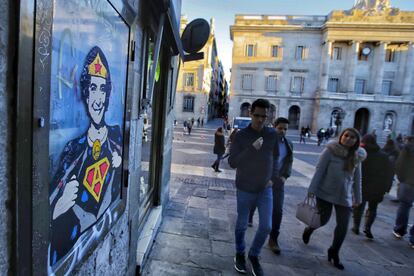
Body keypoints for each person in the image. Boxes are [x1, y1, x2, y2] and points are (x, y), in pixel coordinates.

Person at [49, 46, 123, 265]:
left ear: (108, 94)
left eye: (102, 89)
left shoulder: (117, 137)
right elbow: (50, 207)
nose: (98, 98)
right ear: (85, 92)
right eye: (93, 87)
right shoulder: (73, 149)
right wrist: (58, 207)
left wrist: (117, 165)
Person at [302, 128, 366, 270]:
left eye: (352, 137)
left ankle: (334, 251)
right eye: (346, 135)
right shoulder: (330, 150)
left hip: (345, 196)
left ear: (356, 141)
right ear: (341, 136)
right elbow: (319, 171)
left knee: (343, 226)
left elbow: (357, 178)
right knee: (323, 220)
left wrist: (358, 197)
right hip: (325, 193)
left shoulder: (358, 156)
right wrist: (311, 191)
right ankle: (310, 229)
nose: (348, 138)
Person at [228, 98, 279, 276]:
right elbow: (232, 162)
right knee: (242, 225)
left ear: (267, 116)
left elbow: (276, 157)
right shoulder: (240, 135)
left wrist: (273, 178)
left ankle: (254, 255)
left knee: (266, 226)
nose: (259, 120)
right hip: (245, 187)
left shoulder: (272, 134)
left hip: (265, 188)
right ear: (250, 113)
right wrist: (252, 148)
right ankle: (240, 254)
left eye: (263, 117)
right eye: (256, 115)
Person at [248, 117, 293, 255]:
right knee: (255, 201)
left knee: (278, 210)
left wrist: (285, 176)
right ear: (274, 127)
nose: (283, 131)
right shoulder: (264, 140)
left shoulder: (289, 144)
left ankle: (273, 239)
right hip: (262, 178)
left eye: (285, 129)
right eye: (280, 128)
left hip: (278, 181)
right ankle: (250, 216)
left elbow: (289, 161)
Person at [352, 134, 393, 239]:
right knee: (373, 208)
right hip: (377, 187)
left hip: (362, 185)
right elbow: (389, 173)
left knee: (359, 206)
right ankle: (367, 227)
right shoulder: (383, 156)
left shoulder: (361, 154)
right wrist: (387, 188)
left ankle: (356, 226)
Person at [392, 136, 414, 249]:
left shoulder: (408, 147)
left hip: (408, 182)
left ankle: (400, 229)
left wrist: (402, 179)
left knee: (404, 205)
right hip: (408, 181)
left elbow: (399, 165)